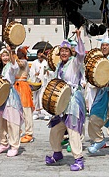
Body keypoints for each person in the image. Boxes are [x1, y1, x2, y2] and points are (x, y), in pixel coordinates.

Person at [45, 29, 86, 171]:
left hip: (73, 100)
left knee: (73, 130)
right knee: (56, 130)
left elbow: (81, 54)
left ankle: (79, 159)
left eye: (66, 51)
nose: (63, 53)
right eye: (62, 51)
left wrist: (79, 38)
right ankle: (57, 153)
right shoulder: (58, 66)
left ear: (70, 52)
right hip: (60, 102)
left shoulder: (75, 63)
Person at [0, 47, 23, 157]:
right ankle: (3, 142)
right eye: (3, 56)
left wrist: (11, 53)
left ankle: (14, 145)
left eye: (6, 55)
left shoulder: (11, 66)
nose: (5, 58)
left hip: (10, 96)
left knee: (12, 122)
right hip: (1, 97)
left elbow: (15, 67)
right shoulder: (2, 68)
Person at [14, 46, 35, 143]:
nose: (17, 53)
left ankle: (29, 133)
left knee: (26, 110)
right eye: (17, 51)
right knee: (16, 110)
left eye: (19, 52)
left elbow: (20, 65)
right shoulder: (16, 60)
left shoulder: (24, 62)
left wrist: (12, 55)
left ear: (23, 54)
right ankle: (18, 130)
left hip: (23, 87)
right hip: (16, 86)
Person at [29, 49, 50, 120]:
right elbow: (31, 72)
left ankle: (45, 113)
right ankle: (36, 113)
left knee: (42, 97)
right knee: (36, 98)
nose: (39, 56)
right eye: (38, 55)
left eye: (41, 55)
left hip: (44, 83)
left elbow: (50, 70)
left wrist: (47, 73)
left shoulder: (46, 62)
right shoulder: (35, 62)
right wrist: (35, 74)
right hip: (36, 82)